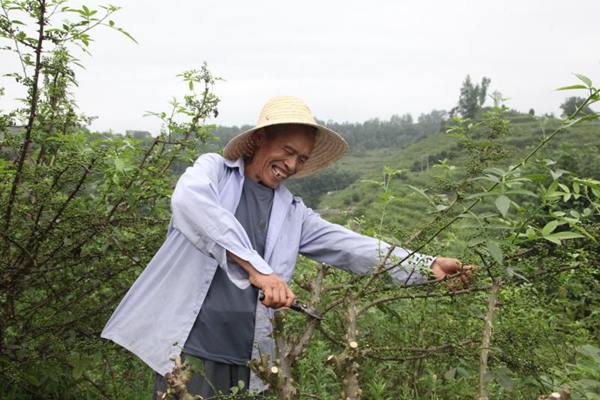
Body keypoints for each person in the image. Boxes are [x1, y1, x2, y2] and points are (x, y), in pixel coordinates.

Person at [101, 96, 472, 397]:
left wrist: (425, 265)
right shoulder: (213, 172)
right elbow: (190, 205)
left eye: (302, 159)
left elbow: (349, 246)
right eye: (287, 150)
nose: (292, 165)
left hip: (253, 358)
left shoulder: (291, 210)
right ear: (260, 139)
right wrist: (258, 269)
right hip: (192, 351)